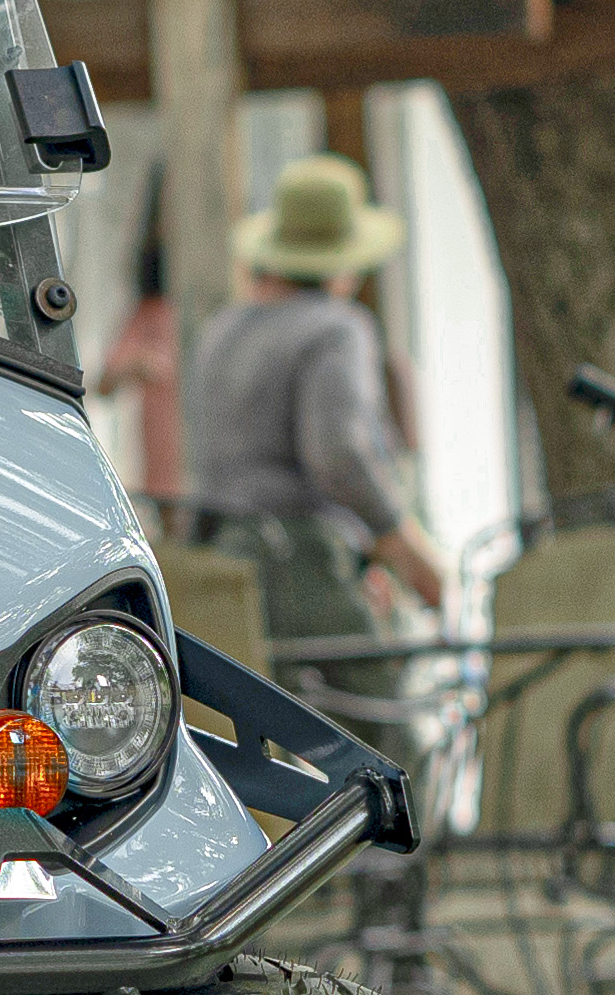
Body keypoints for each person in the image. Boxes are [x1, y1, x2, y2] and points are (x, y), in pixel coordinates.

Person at [180, 153, 452, 660]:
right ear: (344, 260)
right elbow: (339, 454)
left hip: (221, 554)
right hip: (301, 556)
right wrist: (401, 543)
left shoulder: (221, 332)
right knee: (381, 723)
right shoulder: (335, 329)